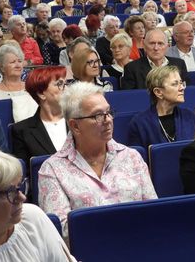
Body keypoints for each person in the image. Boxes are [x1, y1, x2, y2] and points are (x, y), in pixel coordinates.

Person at [38, 82, 157, 239]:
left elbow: (154, 213)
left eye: (109, 112)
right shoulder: (52, 170)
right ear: (75, 126)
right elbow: (63, 234)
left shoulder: (132, 157)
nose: (108, 120)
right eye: (98, 115)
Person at [11, 66, 68, 165]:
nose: (66, 88)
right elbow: (25, 174)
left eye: (66, 84)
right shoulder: (21, 131)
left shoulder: (80, 121)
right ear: (41, 94)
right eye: (59, 84)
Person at [129, 66, 195, 147]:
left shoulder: (189, 116)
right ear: (158, 92)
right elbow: (137, 157)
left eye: (181, 83)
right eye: (175, 84)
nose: (182, 88)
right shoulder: (140, 123)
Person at [0, 44, 38, 119]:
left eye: (20, 61)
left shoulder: (32, 88)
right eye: (13, 62)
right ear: (2, 67)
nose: (18, 65)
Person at [121, 29, 188, 90]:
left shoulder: (179, 64)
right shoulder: (131, 68)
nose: (156, 48)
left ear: (167, 47)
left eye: (160, 43)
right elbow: (129, 98)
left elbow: (187, 92)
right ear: (144, 45)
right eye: (152, 43)